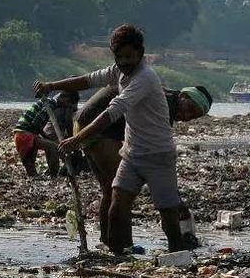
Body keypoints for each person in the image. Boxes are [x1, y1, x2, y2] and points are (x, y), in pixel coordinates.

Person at [33, 24, 185, 253]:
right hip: (132, 154)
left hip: (158, 154)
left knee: (167, 212)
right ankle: (120, 254)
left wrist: (76, 140)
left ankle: (178, 254)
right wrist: (51, 86)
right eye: (119, 57)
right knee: (117, 206)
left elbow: (112, 112)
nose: (124, 62)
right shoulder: (118, 71)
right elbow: (87, 80)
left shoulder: (145, 77)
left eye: (129, 57)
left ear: (140, 54)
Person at [75, 83, 212, 248]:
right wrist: (174, 198)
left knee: (109, 189)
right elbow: (156, 156)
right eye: (189, 108)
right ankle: (121, 246)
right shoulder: (163, 105)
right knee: (120, 193)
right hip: (98, 128)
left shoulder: (164, 97)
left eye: (193, 116)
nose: (186, 115)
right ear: (183, 96)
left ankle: (108, 241)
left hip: (83, 122)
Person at [12, 91, 79, 178]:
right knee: (53, 147)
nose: (66, 106)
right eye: (67, 103)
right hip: (25, 134)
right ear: (63, 98)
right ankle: (54, 176)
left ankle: (43, 176)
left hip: (23, 133)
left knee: (31, 167)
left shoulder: (51, 103)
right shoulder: (50, 104)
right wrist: (46, 137)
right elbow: (36, 123)